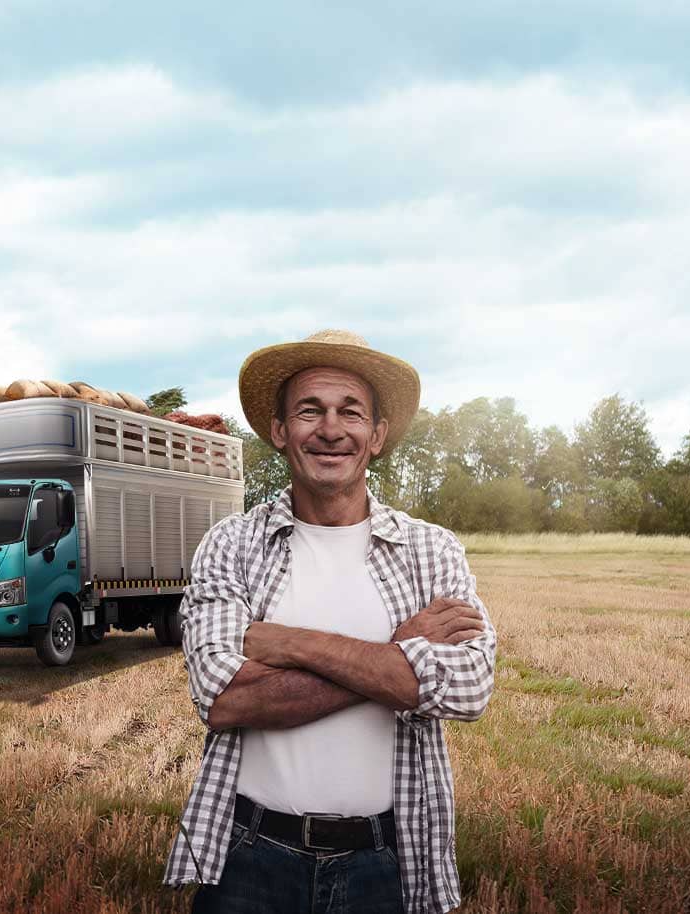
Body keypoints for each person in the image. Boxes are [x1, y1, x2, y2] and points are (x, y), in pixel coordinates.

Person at [165, 330, 496, 914]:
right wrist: (396, 655)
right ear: (278, 431)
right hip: (250, 858)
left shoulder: (431, 549)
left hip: (388, 859)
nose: (331, 429)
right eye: (309, 410)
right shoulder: (232, 544)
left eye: (351, 412)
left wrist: (290, 643)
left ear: (377, 436)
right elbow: (224, 701)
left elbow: (469, 687)